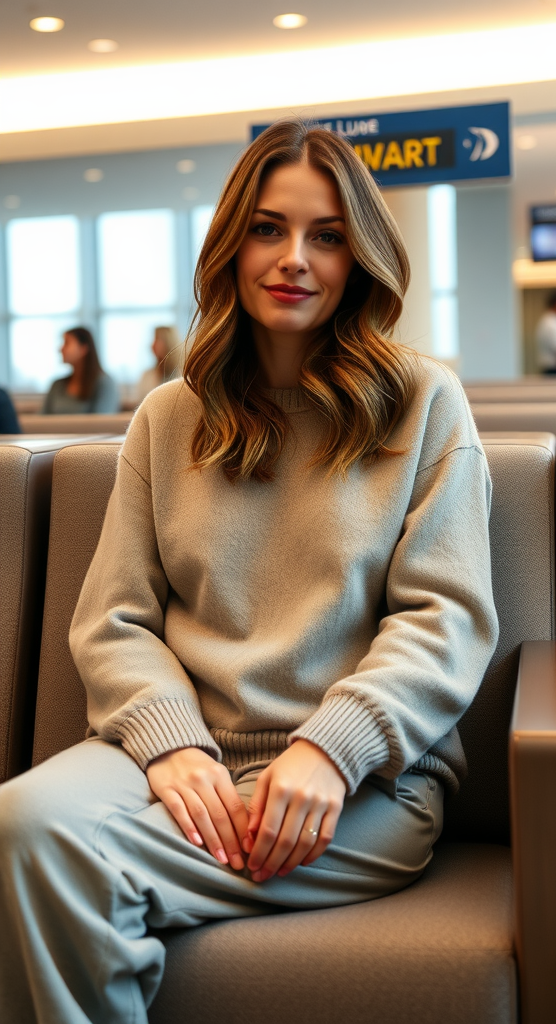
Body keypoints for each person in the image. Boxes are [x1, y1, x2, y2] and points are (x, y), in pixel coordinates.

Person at [0, 120, 499, 1023]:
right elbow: (113, 619)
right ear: (232, 244)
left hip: (365, 782)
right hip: (180, 749)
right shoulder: (166, 416)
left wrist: (331, 746)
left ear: (361, 258)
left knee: (72, 870)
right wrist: (171, 741)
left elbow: (447, 619)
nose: (295, 259)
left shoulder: (426, 400)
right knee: (18, 821)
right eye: (269, 228)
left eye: (328, 235)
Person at [42, 326, 120, 413]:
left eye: (66, 343)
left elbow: (102, 423)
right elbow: (42, 419)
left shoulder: (104, 383)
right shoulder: (57, 385)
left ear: (83, 348)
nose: (60, 349)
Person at [136, 325, 183, 404]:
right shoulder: (147, 376)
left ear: (168, 342)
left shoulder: (183, 374)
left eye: (157, 339)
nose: (152, 345)